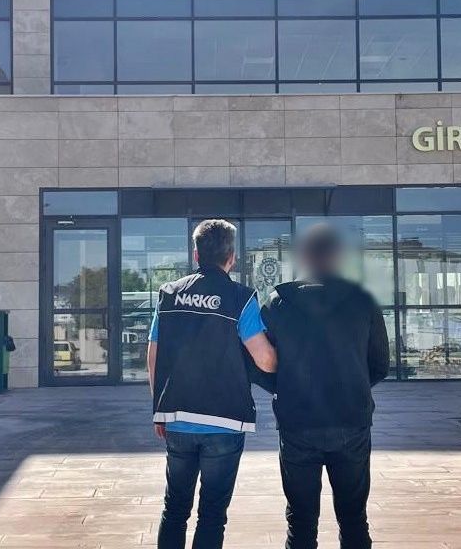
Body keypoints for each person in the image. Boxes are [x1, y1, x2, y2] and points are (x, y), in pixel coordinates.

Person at [147, 219, 277, 549]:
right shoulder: (240, 298)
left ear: (196, 255)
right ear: (231, 257)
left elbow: (153, 354)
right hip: (225, 421)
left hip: (176, 417)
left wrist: (159, 408)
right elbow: (264, 359)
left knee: (174, 509)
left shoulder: (168, 294)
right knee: (212, 515)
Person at [261, 223, 390, 549]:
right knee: (354, 519)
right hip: (351, 420)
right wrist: (353, 383)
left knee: (301, 523)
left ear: (304, 256)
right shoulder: (364, 301)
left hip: (297, 422)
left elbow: (257, 362)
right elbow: (380, 364)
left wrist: (283, 386)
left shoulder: (279, 302)